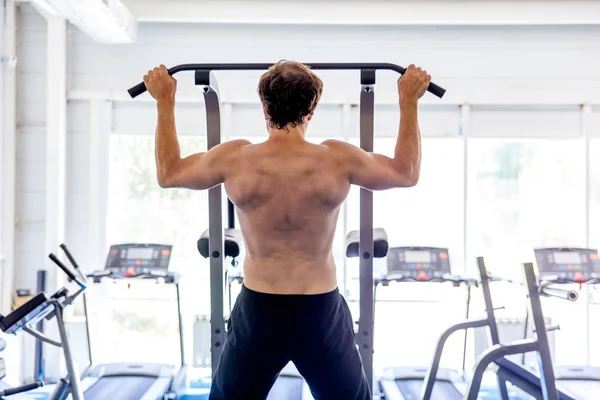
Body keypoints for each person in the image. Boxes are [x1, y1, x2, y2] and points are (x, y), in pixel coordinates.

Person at [143, 61, 431, 400]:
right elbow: (406, 172)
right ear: (311, 109)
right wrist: (408, 100)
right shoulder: (337, 159)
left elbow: (169, 172)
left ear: (265, 108)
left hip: (259, 313)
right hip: (320, 312)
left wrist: (164, 100)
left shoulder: (236, 158)